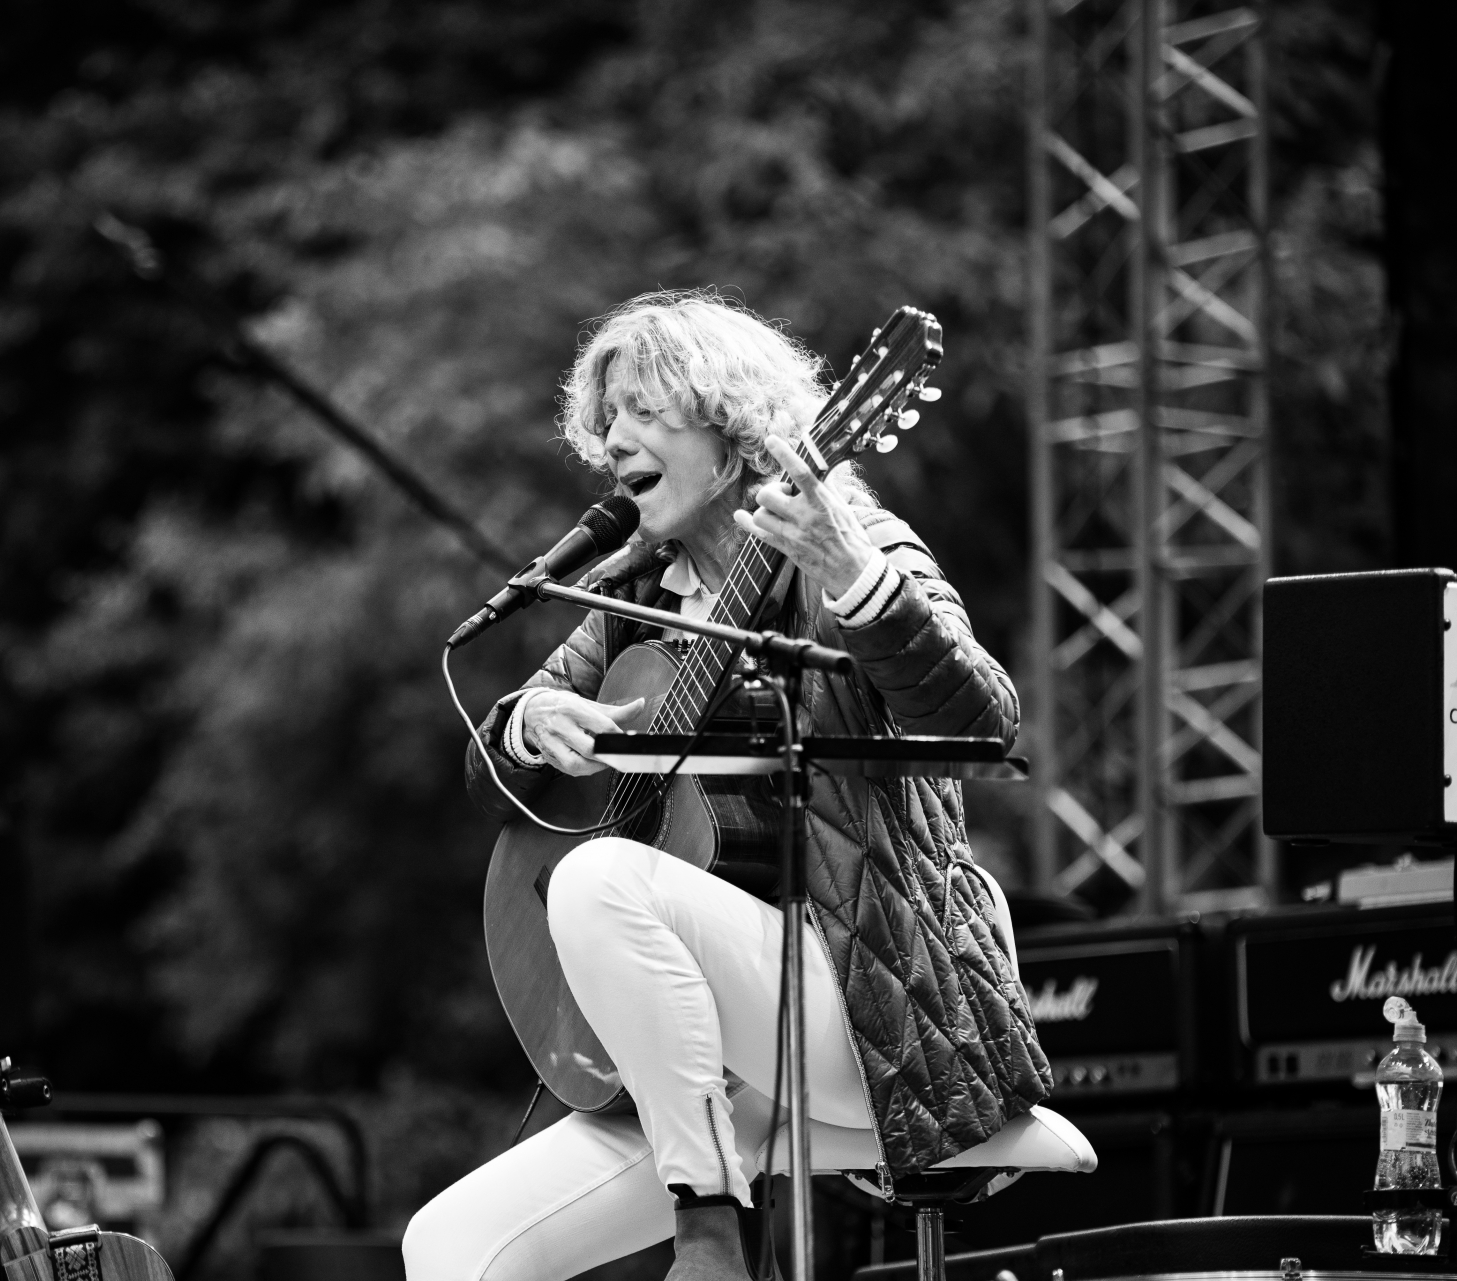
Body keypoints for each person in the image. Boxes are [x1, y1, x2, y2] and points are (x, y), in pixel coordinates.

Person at [404, 291, 1051, 1281]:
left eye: (643, 410)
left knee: (599, 879)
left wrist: (856, 579)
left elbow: (986, 721)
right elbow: (490, 768)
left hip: (869, 1010)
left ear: (733, 424)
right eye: (606, 419)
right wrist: (528, 726)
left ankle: (710, 1236)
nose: (613, 440)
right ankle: (699, 1189)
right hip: (690, 1069)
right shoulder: (634, 591)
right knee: (450, 1248)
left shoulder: (854, 542)